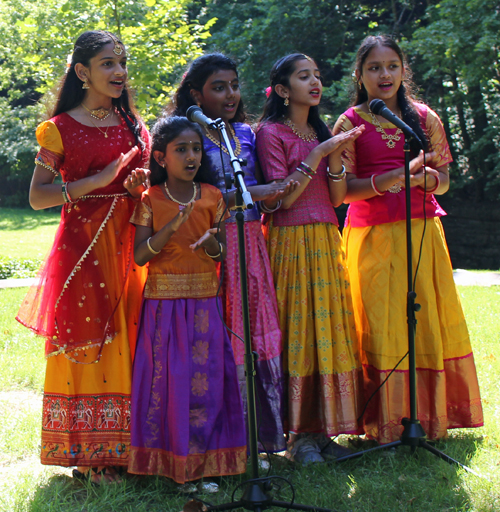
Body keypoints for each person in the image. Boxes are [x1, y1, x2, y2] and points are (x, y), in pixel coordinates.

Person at [333, 35, 484, 444]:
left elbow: (446, 181)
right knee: (381, 324)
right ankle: (382, 421)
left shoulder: (425, 117)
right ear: (359, 75)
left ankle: (428, 416)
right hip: (371, 236)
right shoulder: (348, 123)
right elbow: (342, 191)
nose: (384, 75)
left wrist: (424, 179)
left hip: (422, 233)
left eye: (392, 66)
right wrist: (392, 179)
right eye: (374, 68)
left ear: (404, 71)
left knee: (424, 321)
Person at [15, 30, 151, 483]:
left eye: (122, 62)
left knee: (133, 337)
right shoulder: (60, 128)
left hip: (133, 243)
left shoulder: (134, 123)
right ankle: (93, 455)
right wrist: (98, 180)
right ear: (82, 72)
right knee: (93, 341)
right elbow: (37, 198)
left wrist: (136, 187)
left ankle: (136, 447)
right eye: (108, 63)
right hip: (84, 251)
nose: (119, 72)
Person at [168, 53, 296, 453]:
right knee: (215, 336)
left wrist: (273, 195)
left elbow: (259, 189)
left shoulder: (244, 132)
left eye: (235, 85)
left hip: (251, 244)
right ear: (195, 94)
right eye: (218, 87)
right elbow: (184, 197)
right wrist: (250, 195)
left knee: (253, 331)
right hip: (207, 244)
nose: (230, 94)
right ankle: (216, 440)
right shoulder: (186, 137)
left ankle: (258, 437)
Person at [255, 53, 365, 464]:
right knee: (298, 330)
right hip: (289, 241)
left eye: (317, 75)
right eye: (305, 77)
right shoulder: (270, 133)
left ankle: (320, 432)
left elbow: (336, 199)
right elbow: (281, 197)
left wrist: (334, 155)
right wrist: (319, 153)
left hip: (325, 236)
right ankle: (296, 436)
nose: (315, 82)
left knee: (328, 330)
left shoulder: (318, 128)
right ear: (283, 90)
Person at [128, 116, 247, 491]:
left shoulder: (212, 196)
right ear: (161, 157)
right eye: (182, 149)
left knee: (208, 382)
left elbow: (221, 253)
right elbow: (141, 257)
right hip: (163, 306)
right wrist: (171, 227)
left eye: (196, 148)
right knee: (171, 383)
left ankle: (205, 464)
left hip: (204, 305)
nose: (192, 155)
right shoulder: (151, 199)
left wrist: (211, 243)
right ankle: (174, 467)